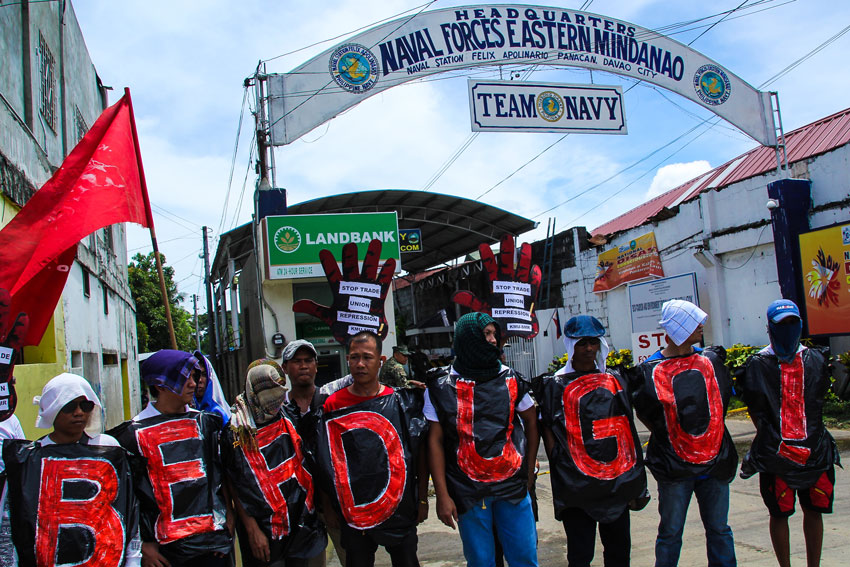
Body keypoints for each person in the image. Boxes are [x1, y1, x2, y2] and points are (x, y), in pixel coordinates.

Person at [426, 312, 539, 567]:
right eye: (485, 334)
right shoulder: (441, 385)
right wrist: (442, 495)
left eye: (493, 334)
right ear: (468, 337)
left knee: (524, 556)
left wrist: (529, 468)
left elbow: (532, 421)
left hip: (512, 486)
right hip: (469, 491)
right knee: (480, 561)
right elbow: (434, 442)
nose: (492, 340)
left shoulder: (510, 376)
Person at [631, 300, 737, 567]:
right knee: (670, 532)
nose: (701, 326)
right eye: (694, 322)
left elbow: (721, 402)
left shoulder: (709, 360)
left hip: (712, 465)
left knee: (719, 529)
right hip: (674, 468)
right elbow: (646, 412)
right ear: (680, 327)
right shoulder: (650, 370)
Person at [534, 315, 646, 567]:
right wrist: (559, 459)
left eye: (593, 342)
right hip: (577, 485)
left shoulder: (614, 379)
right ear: (571, 345)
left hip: (615, 482)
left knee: (618, 552)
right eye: (583, 343)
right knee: (580, 553)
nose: (589, 349)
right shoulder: (554, 385)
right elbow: (546, 426)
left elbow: (628, 424)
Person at [110, 349, 232, 567]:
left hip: (212, 548)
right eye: (184, 378)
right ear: (159, 384)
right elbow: (128, 499)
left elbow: (220, 478)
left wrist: (228, 524)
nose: (193, 384)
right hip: (164, 554)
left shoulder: (207, 424)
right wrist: (142, 545)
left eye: (194, 377)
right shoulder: (130, 437)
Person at [3, 373, 140, 566]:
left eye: (85, 406)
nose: (79, 413)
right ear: (52, 409)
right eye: (69, 406)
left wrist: (133, 560)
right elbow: (10, 519)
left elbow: (129, 508)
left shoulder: (108, 449)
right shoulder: (29, 458)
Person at [739, 300, 838, 567]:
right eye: (782, 324)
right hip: (776, 454)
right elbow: (757, 409)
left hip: (814, 451)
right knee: (780, 512)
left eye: (793, 323)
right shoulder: (759, 363)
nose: (788, 329)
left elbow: (818, 401)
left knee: (814, 510)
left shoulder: (814, 359)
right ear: (770, 327)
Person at [317, 331, 428, 567]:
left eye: (367, 357)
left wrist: (421, 500)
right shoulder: (332, 405)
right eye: (354, 357)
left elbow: (418, 453)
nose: (360, 364)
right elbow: (327, 461)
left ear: (381, 360)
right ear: (347, 360)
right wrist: (328, 506)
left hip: (399, 506)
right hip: (353, 511)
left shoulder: (400, 402)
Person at [223, 357, 326, 567]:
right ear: (255, 390)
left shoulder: (287, 415)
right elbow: (235, 484)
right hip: (264, 531)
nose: (277, 394)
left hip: (301, 525)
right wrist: (251, 528)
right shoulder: (236, 432)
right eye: (271, 388)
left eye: (279, 385)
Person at [193, 350, 232, 424]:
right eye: (196, 375)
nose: (200, 380)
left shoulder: (218, 413)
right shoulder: (186, 411)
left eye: (204, 375)